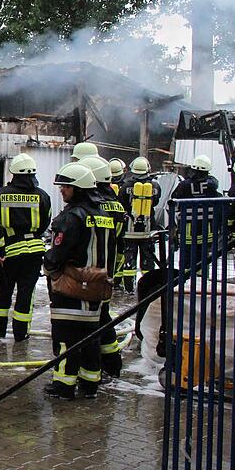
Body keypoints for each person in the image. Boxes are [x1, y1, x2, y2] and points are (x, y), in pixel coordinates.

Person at [43, 162, 117, 399]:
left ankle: (64, 386)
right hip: (96, 290)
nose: (62, 190)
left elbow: (58, 251)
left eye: (66, 186)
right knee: (90, 340)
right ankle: (90, 384)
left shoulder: (71, 216)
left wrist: (51, 270)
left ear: (79, 188)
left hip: (71, 289)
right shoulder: (105, 216)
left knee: (65, 339)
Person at [0, 153, 51, 342]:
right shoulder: (43, 196)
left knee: (3, 292)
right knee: (26, 293)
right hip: (34, 250)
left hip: (9, 250)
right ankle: (21, 333)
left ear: (13, 174)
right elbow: (45, 222)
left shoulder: (0, 194)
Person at [77, 155, 127, 378]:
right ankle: (112, 361)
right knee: (103, 314)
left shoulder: (91, 207)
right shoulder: (117, 206)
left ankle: (93, 365)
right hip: (110, 267)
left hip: (91, 270)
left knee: (92, 319)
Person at [120, 156, 162, 292]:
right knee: (148, 260)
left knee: (129, 260)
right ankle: (148, 289)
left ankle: (129, 289)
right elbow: (155, 202)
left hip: (130, 230)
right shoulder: (155, 185)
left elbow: (122, 204)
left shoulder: (126, 185)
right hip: (148, 230)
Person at [171, 154, 223, 259]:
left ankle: (187, 274)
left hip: (188, 229)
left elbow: (174, 200)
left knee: (186, 259)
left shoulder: (184, 185)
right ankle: (202, 274)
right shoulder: (212, 185)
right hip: (207, 229)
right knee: (203, 259)